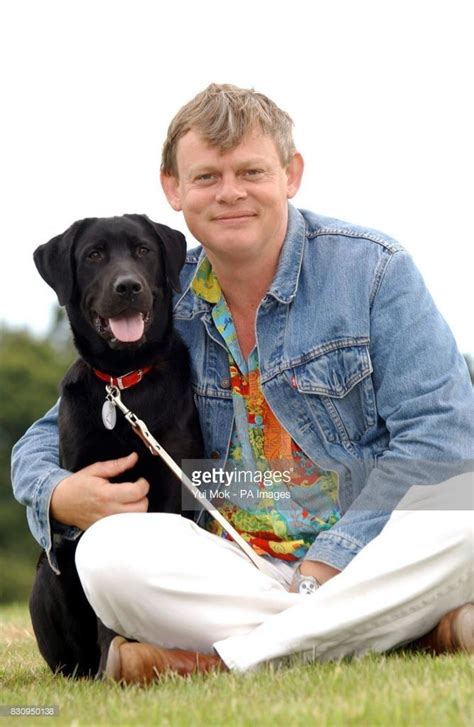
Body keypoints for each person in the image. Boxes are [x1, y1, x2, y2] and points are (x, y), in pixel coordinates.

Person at [12, 83, 473, 683]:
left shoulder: (374, 271)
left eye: (251, 170)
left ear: (290, 174)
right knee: (108, 554)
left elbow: (442, 441)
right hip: (232, 565)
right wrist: (53, 494)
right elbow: (52, 429)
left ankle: (222, 660)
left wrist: (328, 566)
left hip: (368, 548)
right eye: (207, 177)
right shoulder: (160, 298)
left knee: (462, 511)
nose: (231, 193)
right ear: (173, 189)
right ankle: (395, 630)